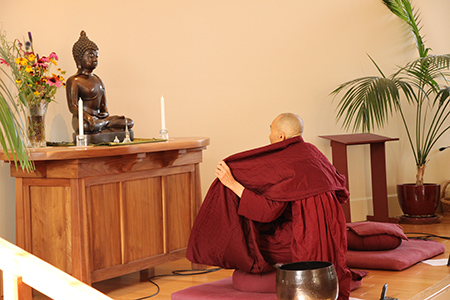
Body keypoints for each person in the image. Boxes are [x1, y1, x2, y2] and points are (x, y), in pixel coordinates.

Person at [187, 113, 352, 300]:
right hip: (335, 235)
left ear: (281, 136)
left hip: (303, 238)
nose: (269, 136)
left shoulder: (285, 160)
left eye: (271, 130)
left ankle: (279, 265)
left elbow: (267, 212)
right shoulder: (313, 152)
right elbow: (342, 191)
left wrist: (231, 183)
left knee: (253, 242)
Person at [66, 31, 134, 142]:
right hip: (83, 120)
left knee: (128, 122)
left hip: (100, 119)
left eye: (97, 56)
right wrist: (87, 116)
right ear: (79, 59)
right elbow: (73, 106)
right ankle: (104, 125)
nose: (95, 59)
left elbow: (104, 106)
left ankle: (104, 125)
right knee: (85, 127)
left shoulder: (98, 80)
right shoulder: (74, 80)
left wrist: (105, 115)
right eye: (91, 56)